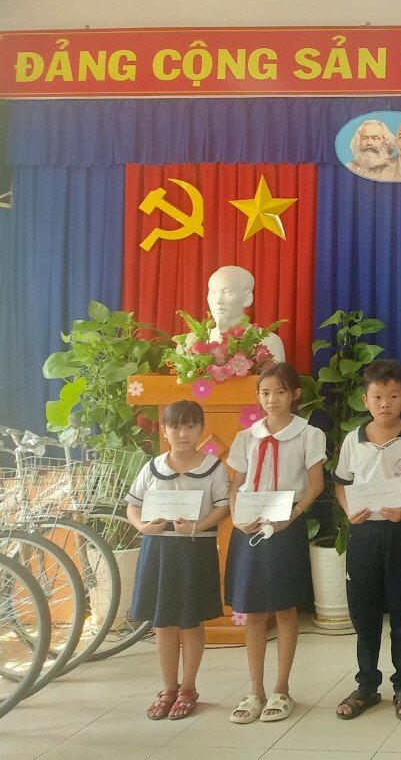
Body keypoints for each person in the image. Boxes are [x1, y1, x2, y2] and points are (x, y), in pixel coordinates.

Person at [333, 359, 401, 720]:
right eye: (377, 396)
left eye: (392, 396)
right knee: (364, 611)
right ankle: (366, 684)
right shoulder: (353, 440)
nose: (384, 403)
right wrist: (349, 511)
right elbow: (341, 484)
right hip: (364, 533)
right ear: (365, 400)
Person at [224, 363, 326, 724]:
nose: (272, 399)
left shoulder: (309, 434)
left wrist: (292, 515)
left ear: (294, 394)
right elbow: (236, 484)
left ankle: (282, 689)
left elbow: (316, 484)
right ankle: (255, 690)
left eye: (280, 392)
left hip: (285, 525)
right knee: (252, 611)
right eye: (265, 393)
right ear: (258, 396)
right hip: (249, 526)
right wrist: (237, 516)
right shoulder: (246, 437)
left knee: (284, 609)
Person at [125, 400, 230, 721]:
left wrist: (197, 526)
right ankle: (168, 688)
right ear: (165, 430)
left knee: (190, 620)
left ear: (201, 429)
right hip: (158, 550)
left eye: (190, 426)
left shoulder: (214, 467)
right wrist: (142, 526)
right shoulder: (153, 466)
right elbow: (133, 506)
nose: (182, 434)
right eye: (175, 427)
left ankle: (188, 688)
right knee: (163, 621)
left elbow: (223, 507)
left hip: (195, 550)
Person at [204, 265, 287, 362]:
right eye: (213, 292)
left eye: (227, 292)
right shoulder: (192, 343)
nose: (218, 301)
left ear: (247, 298)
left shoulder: (269, 342)